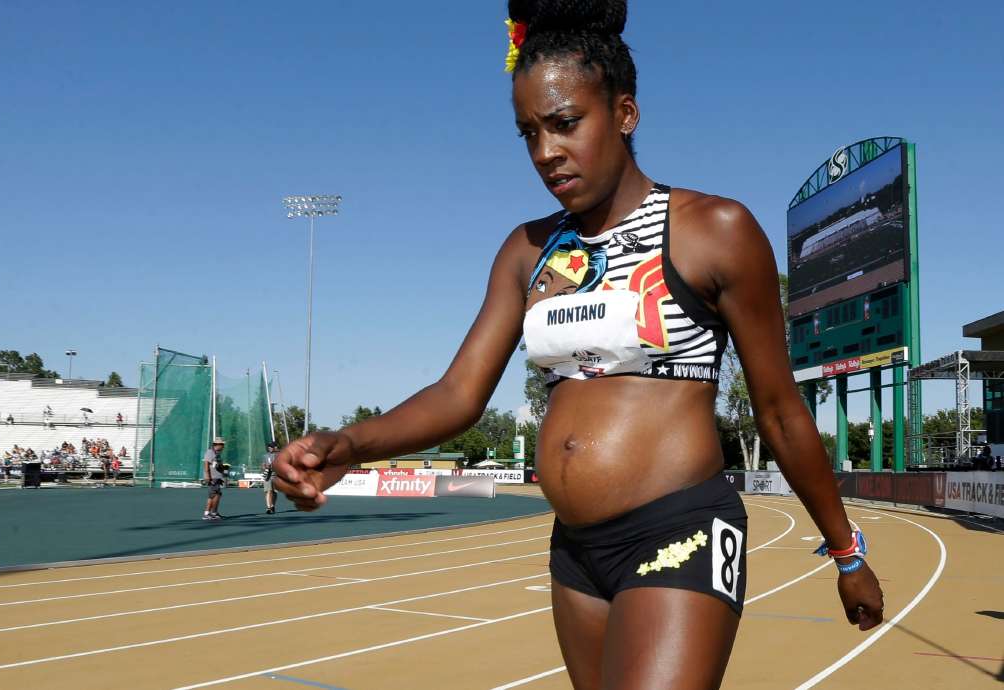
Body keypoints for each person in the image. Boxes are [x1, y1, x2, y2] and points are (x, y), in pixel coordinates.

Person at [272, 4, 884, 688]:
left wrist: (846, 551)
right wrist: (348, 446)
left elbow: (777, 409)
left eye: (565, 124)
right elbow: (457, 394)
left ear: (625, 113)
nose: (545, 152)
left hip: (680, 530)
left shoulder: (713, 229)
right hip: (576, 553)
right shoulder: (528, 250)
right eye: (528, 133)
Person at [202, 438, 228, 521]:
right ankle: (207, 513)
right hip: (213, 478)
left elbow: (217, 465)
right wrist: (207, 476)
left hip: (217, 477)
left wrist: (224, 468)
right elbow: (206, 464)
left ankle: (214, 513)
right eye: (222, 444)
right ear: (217, 445)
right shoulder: (210, 452)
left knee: (217, 495)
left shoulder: (217, 454)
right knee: (212, 495)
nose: (223, 446)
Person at [262, 441, 280, 514]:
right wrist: (266, 467)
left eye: (272, 447)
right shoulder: (265, 456)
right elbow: (263, 465)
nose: (270, 448)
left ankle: (273, 506)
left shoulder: (278, 455)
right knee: (268, 491)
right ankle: (268, 507)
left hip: (276, 476)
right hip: (267, 476)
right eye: (269, 446)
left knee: (274, 492)